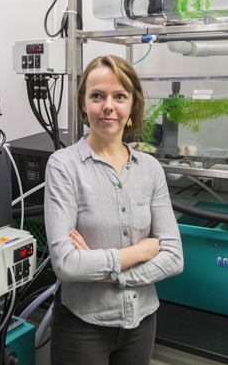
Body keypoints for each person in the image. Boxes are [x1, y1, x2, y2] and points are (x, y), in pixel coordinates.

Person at [44, 55, 184, 365]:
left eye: (119, 96)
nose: (109, 106)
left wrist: (107, 274)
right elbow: (66, 264)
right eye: (97, 96)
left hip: (142, 322)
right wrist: (141, 251)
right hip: (82, 325)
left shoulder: (150, 169)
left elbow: (174, 258)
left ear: (132, 105)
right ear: (84, 103)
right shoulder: (64, 166)